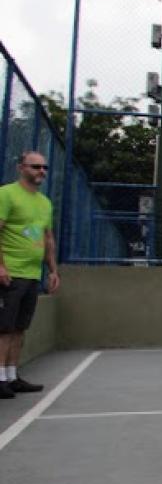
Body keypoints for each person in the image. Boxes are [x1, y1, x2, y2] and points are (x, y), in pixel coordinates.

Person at [0, 152, 59, 399]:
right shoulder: (6, 194)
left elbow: (47, 238)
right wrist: (1, 266)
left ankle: (12, 377)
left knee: (19, 328)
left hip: (32, 275)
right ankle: (0, 378)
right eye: (36, 166)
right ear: (21, 167)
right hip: (10, 274)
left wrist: (53, 270)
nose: (41, 171)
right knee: (3, 329)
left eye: (44, 167)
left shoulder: (45, 202)